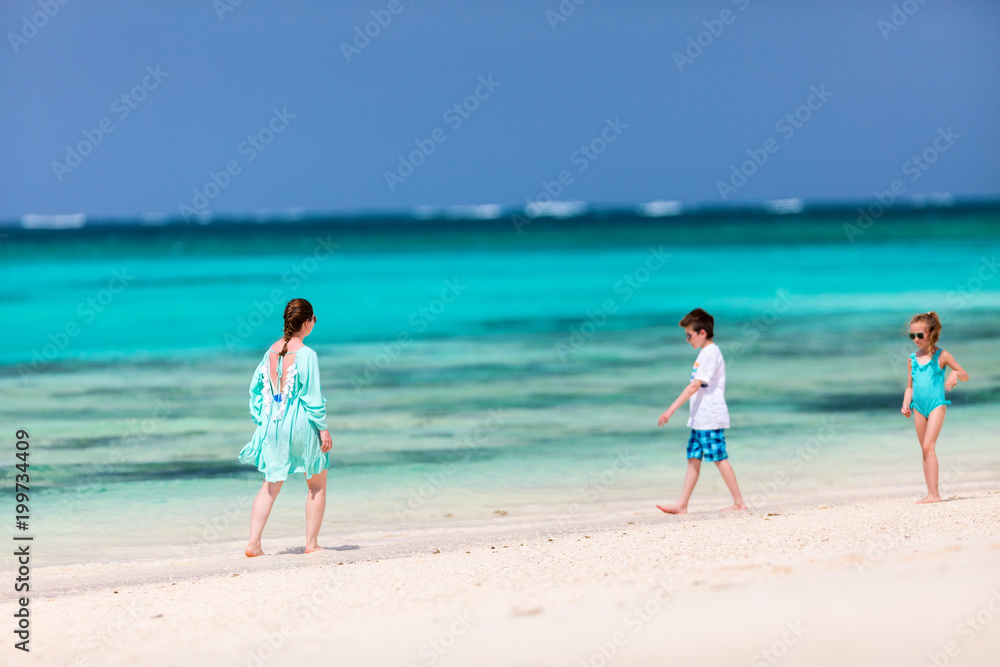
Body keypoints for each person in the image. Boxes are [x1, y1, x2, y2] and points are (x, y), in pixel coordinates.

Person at [239, 298, 334, 556]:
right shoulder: (307, 354)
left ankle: (253, 544)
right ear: (307, 322)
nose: (314, 324)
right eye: (314, 320)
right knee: (316, 485)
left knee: (270, 485)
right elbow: (312, 397)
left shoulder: (270, 351)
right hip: (302, 426)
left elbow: (255, 390)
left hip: (273, 423)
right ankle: (311, 545)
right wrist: (323, 428)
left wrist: (262, 419)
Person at [656, 308, 747, 514]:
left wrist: (671, 409)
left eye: (689, 335)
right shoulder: (705, 353)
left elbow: (694, 386)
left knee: (719, 458)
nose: (687, 339)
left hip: (710, 417)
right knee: (693, 458)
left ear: (702, 333)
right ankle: (682, 504)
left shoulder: (710, 353)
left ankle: (739, 503)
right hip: (700, 419)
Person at [901, 311, 968, 504]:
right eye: (912, 335)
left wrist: (955, 373)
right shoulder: (911, 359)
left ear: (931, 333)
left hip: (937, 405)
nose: (915, 339)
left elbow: (965, 374)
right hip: (918, 407)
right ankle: (930, 492)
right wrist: (906, 404)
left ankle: (935, 494)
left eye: (919, 335)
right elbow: (909, 387)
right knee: (924, 449)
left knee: (928, 445)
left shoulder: (942, 355)